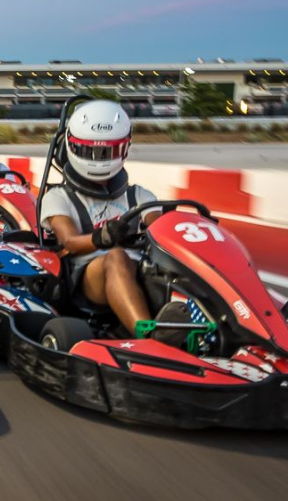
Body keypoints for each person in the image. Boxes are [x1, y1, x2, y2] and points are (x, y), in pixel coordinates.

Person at [38, 100, 192, 347]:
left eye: (107, 152)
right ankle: (150, 337)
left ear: (124, 148)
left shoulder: (140, 196)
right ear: (72, 146)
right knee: (117, 257)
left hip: (138, 269)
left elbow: (160, 227)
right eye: (90, 151)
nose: (99, 159)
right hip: (85, 279)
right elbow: (69, 242)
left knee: (182, 264)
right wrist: (102, 237)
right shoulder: (58, 197)